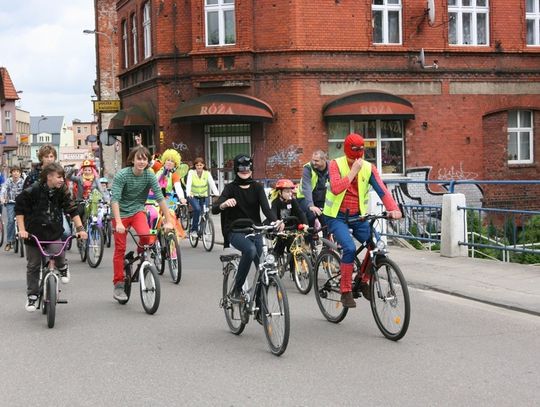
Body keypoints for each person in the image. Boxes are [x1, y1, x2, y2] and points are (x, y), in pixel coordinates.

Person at [323, 133, 402, 308]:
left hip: (358, 216)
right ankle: (345, 292)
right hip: (336, 217)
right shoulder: (335, 165)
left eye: (360, 153)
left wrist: (393, 208)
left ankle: (364, 280)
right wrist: (353, 171)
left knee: (376, 246)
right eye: (353, 156)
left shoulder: (369, 167)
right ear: (346, 152)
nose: (357, 159)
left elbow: (382, 190)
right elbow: (336, 189)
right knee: (349, 248)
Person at [15, 163, 88, 312]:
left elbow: (72, 210)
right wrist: (22, 230)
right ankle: (32, 296)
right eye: (59, 176)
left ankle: (62, 267)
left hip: (53, 231)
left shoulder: (61, 191)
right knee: (33, 265)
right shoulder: (32, 190)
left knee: (58, 253)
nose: (62, 180)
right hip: (33, 233)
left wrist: (81, 229)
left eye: (62, 177)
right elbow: (19, 210)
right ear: (49, 176)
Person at [212, 154, 282, 299]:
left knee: (263, 267)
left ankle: (259, 304)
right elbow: (215, 208)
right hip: (235, 230)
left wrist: (276, 221)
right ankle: (237, 289)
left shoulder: (257, 187)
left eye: (248, 169)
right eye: (242, 169)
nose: (245, 171)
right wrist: (224, 204)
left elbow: (267, 209)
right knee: (250, 251)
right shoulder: (230, 188)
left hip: (254, 230)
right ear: (236, 170)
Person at [110, 146, 174, 302]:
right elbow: (115, 200)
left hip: (138, 210)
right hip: (121, 214)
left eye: (145, 159)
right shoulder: (122, 175)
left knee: (147, 237)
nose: (141, 161)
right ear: (132, 159)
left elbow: (160, 198)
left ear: (148, 161)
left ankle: (140, 253)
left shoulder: (149, 176)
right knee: (120, 248)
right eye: (139, 158)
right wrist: (118, 222)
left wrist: (169, 220)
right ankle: (118, 284)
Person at [269, 178, 309, 259]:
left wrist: (305, 223)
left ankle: (292, 270)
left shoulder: (293, 201)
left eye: (290, 191)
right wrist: (277, 222)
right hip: (280, 228)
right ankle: (275, 260)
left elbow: (300, 212)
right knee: (280, 247)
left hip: (291, 227)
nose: (290, 194)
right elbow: (272, 213)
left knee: (293, 248)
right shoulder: (275, 202)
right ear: (280, 192)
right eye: (287, 192)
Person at [186, 157, 219, 238]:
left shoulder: (207, 173)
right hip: (193, 195)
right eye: (197, 165)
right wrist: (188, 192)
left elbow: (212, 184)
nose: (199, 167)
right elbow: (189, 183)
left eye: (201, 165)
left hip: (204, 195)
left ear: (203, 165)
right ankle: (194, 230)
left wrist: (217, 194)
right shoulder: (191, 172)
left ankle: (204, 230)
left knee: (206, 212)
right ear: (195, 166)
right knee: (197, 209)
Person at [297, 150, 329, 233]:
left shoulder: (331, 167)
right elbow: (306, 187)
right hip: (304, 198)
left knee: (326, 220)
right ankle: (309, 242)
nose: (313, 162)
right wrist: (311, 205)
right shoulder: (308, 168)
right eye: (313, 160)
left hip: (321, 199)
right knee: (310, 215)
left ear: (324, 160)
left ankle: (327, 244)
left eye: (316, 161)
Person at [1, 166, 25, 251]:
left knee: (23, 219)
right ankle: (9, 241)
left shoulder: (23, 182)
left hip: (21, 203)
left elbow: (27, 191)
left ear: (20, 173)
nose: (16, 173)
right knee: (11, 220)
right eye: (14, 171)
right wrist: (2, 198)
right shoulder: (8, 181)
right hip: (10, 203)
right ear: (11, 173)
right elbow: (3, 189)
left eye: (17, 171)